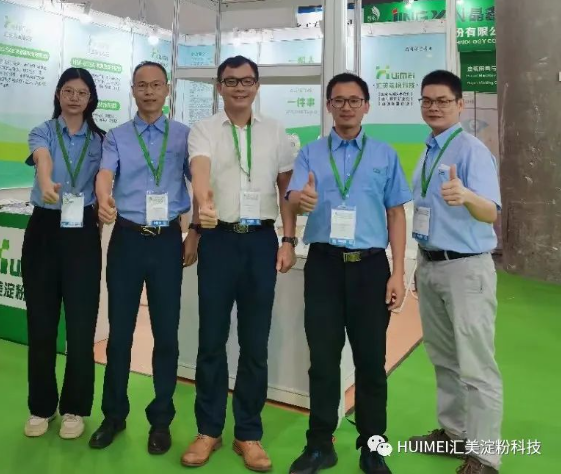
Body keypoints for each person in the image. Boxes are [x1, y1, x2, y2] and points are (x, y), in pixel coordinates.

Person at [286, 73, 411, 474]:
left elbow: (396, 214)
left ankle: (373, 448)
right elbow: (292, 198)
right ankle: (320, 445)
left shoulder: (384, 155)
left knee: (371, 362)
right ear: (328, 106)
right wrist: (302, 199)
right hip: (323, 266)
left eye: (354, 100)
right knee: (323, 361)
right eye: (338, 100)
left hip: (371, 268)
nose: (346, 107)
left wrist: (398, 272)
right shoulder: (310, 153)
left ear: (366, 106)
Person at [181, 55, 296, 472]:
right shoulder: (204, 129)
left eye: (247, 81)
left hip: (261, 242)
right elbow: (200, 169)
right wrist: (203, 200)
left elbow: (286, 191)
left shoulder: (276, 132)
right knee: (211, 339)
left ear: (257, 85)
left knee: (255, 342)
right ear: (219, 87)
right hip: (219, 240)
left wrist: (289, 239)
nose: (239, 88)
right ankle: (208, 430)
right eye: (231, 81)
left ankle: (248, 433)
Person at [89, 61, 198, 455]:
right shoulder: (117, 136)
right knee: (119, 334)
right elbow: (105, 174)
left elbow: (201, 182)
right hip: (127, 240)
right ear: (132, 90)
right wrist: (104, 198)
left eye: (155, 85)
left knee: (166, 335)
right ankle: (113, 416)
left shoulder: (184, 136)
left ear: (167, 89)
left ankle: (161, 420)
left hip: (167, 241)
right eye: (141, 85)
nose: (149, 92)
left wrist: (195, 231)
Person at [408, 70, 503, 474]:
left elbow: (491, 211)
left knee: (477, 366)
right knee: (444, 357)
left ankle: (485, 455)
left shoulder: (471, 151)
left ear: (460, 105)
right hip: (432, 264)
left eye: (443, 101)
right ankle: (455, 434)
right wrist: (420, 263)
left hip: (466, 269)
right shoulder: (429, 149)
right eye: (427, 100)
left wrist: (466, 196)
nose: (434, 107)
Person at [23, 67, 105, 440]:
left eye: (82, 92)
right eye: (68, 91)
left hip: (82, 231)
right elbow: (43, 159)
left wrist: (106, 203)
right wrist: (45, 182)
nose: (74, 98)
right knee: (41, 324)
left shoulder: (101, 140)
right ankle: (41, 407)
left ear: (91, 99)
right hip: (44, 228)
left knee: (81, 324)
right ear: (58, 94)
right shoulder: (42, 130)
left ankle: (75, 407)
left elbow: (104, 181)